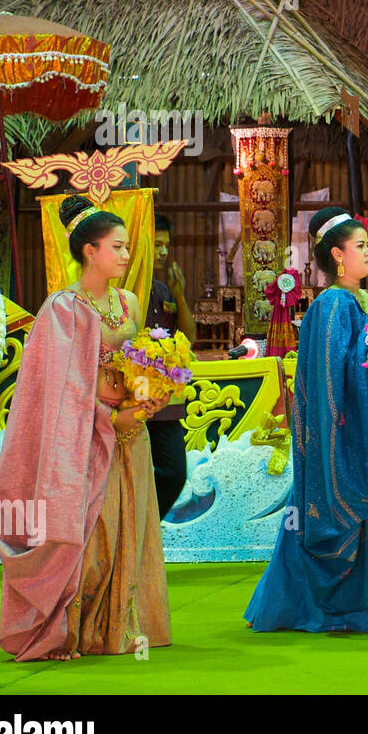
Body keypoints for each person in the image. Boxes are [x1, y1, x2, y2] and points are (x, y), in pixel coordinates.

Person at [0, 195, 171, 661]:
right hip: (86, 435)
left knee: (130, 527)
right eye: (117, 246)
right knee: (93, 531)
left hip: (133, 430)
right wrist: (113, 417)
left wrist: (150, 393)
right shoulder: (63, 308)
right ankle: (68, 629)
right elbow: (62, 390)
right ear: (90, 251)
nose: (127, 255)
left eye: (128, 246)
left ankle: (117, 625)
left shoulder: (128, 301)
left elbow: (138, 362)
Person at [244, 207, 368, 634]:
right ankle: (328, 607)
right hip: (343, 429)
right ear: (338, 255)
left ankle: (364, 605)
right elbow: (330, 375)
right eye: (361, 246)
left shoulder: (367, 299)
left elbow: (365, 362)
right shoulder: (332, 303)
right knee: (333, 503)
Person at [148, 212, 196, 520]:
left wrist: (178, 292)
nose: (164, 253)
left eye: (166, 246)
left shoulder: (162, 290)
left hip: (162, 400)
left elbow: (188, 338)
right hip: (127, 399)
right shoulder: (125, 290)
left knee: (174, 473)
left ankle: (145, 528)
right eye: (157, 245)